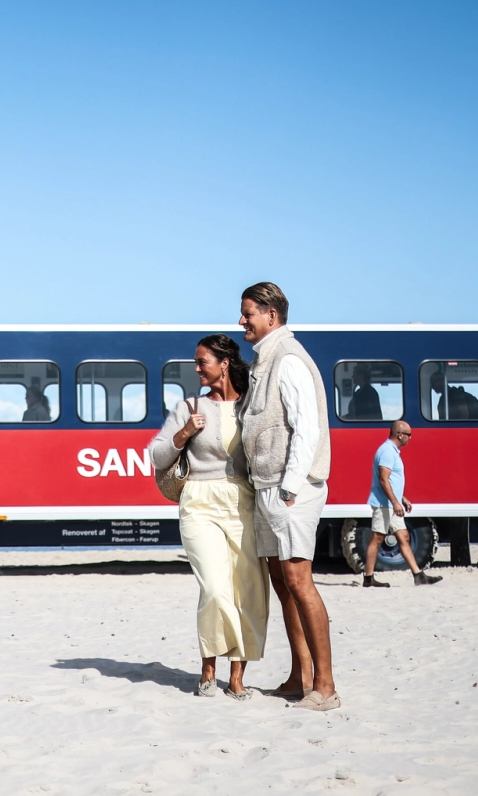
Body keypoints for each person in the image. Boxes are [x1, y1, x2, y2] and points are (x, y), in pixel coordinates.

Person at [236, 282, 339, 712]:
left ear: (271, 315)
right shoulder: (265, 360)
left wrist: (291, 487)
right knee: (282, 584)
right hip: (268, 486)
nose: (242, 321)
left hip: (289, 489)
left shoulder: (289, 359)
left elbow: (306, 429)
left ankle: (326, 687)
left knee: (299, 581)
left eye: (248, 313)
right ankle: (300, 676)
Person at [149, 335, 266, 700]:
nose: (197, 368)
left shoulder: (250, 406)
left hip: (243, 500)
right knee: (214, 588)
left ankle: (237, 676)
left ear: (224, 363)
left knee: (247, 590)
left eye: (203, 362)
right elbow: (157, 456)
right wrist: (184, 433)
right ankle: (208, 668)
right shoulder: (189, 406)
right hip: (199, 500)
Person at [362, 421, 442, 587]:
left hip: (391, 503)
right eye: (408, 434)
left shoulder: (392, 451)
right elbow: (383, 480)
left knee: (403, 536)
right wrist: (395, 502)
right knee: (377, 538)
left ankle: (418, 575)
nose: (410, 438)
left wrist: (402, 498)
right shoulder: (387, 451)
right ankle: (368, 578)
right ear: (399, 435)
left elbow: (391, 481)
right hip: (384, 504)